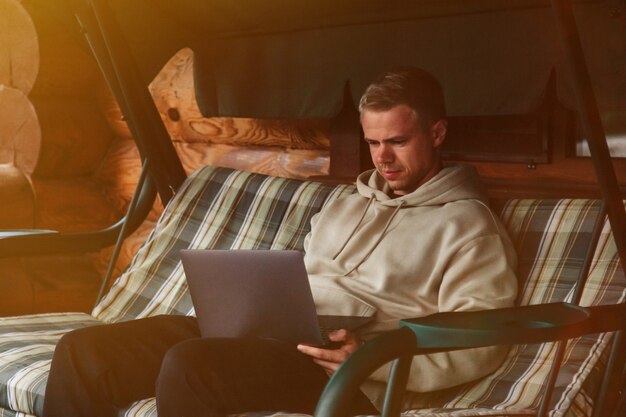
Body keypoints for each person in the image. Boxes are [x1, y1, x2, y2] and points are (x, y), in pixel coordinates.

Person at [42, 67, 517, 417]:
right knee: (84, 353)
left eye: (398, 141)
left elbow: (481, 339)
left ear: (437, 133)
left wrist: (374, 358)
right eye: (373, 143)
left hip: (348, 375)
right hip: (274, 338)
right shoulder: (347, 203)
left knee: (191, 365)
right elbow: (302, 283)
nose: (383, 158)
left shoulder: (469, 226)